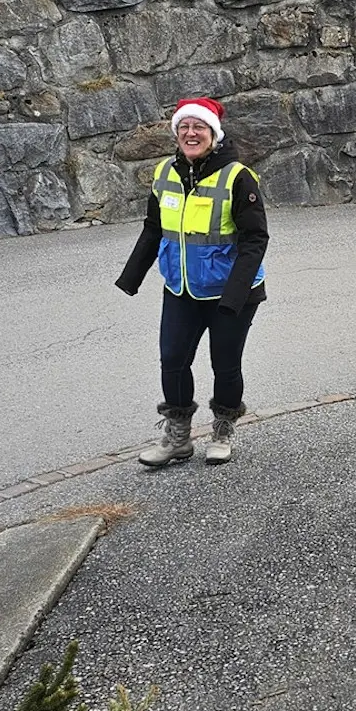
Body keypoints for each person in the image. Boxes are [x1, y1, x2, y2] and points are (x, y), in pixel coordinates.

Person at [115, 96, 269, 467]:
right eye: (184, 127)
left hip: (231, 292)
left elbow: (255, 239)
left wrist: (235, 295)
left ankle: (223, 429)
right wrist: (131, 276)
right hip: (181, 287)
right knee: (172, 360)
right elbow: (154, 228)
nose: (190, 133)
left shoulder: (237, 177)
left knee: (225, 364)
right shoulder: (165, 172)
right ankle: (178, 438)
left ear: (213, 134)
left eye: (199, 127)